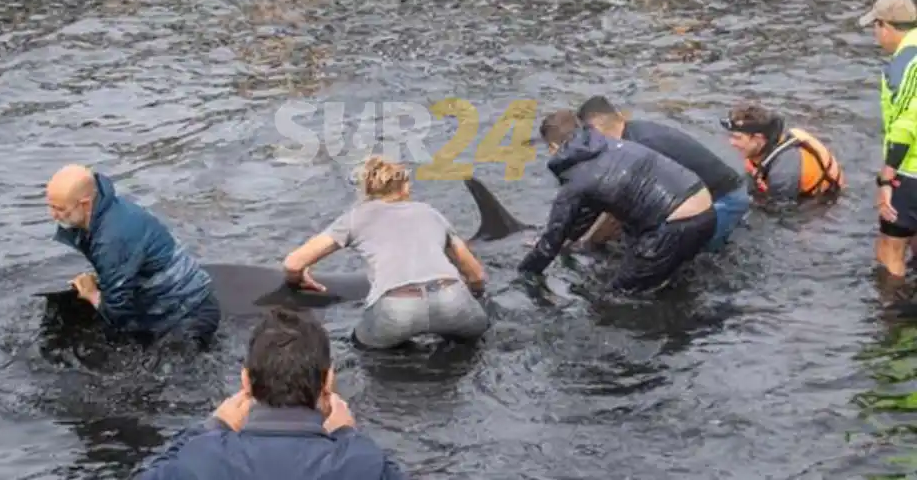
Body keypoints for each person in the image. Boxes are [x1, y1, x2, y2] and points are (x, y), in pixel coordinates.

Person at [136, 307, 409, 480]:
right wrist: (348, 434)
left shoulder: (200, 458)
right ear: (328, 382)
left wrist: (212, 425)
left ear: (246, 382)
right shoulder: (362, 463)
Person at [282, 155, 489, 350]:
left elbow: (293, 263)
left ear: (367, 189)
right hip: (451, 297)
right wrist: (475, 297)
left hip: (397, 308)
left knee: (362, 349)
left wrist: (298, 279)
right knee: (473, 344)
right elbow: (476, 275)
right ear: (405, 187)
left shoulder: (355, 218)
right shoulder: (431, 213)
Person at [519, 110, 716, 293]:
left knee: (620, 293)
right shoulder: (610, 145)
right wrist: (571, 239)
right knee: (666, 276)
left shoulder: (576, 179)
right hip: (704, 206)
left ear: (554, 148)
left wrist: (524, 273)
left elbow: (551, 241)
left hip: (676, 223)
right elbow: (589, 208)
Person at [46, 164, 220, 348]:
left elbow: (118, 312)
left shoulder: (112, 239)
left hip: (189, 314)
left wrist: (92, 294)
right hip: (185, 301)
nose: (54, 215)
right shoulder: (108, 207)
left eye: (60, 209)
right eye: (50, 207)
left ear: (86, 204)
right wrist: (104, 278)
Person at [575, 96, 750, 252]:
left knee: (690, 256)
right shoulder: (636, 131)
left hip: (724, 199)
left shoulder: (636, 150)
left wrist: (586, 243)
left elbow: (618, 210)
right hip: (718, 190)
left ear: (595, 130)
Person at [861, 0, 917, 279]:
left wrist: (886, 177)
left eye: (875, 25)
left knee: (889, 249)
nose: (875, 33)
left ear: (886, 25)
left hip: (911, 171)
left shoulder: (903, 66)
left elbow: (907, 123)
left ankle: (896, 319)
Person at [720, 102, 843, 203]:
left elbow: (780, 213)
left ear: (758, 138)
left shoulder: (783, 173)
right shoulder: (762, 147)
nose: (731, 143)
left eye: (737, 138)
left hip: (817, 204)